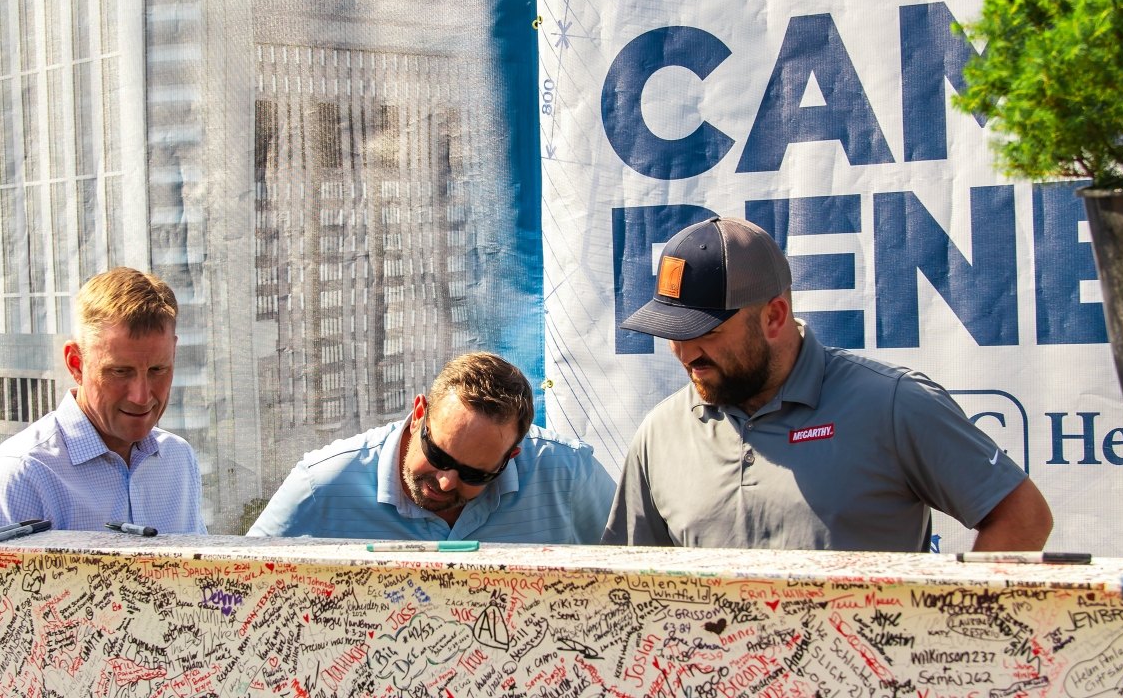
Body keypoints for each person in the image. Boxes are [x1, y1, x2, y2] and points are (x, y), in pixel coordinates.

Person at [604, 216, 1052, 551]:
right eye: (673, 336)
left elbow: (1023, 518)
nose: (686, 354)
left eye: (706, 332)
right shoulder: (659, 433)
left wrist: (957, 637)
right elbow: (631, 585)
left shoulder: (893, 404)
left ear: (774, 316)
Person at [248, 352, 613, 543]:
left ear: (511, 456)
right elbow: (235, 594)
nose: (446, 483)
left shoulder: (567, 475)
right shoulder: (320, 487)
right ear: (419, 413)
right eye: (438, 456)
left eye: (475, 474)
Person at [0, 267, 206, 534]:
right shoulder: (20, 478)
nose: (141, 397)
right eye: (120, 372)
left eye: (158, 370)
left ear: (174, 354)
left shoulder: (178, 459)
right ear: (76, 363)